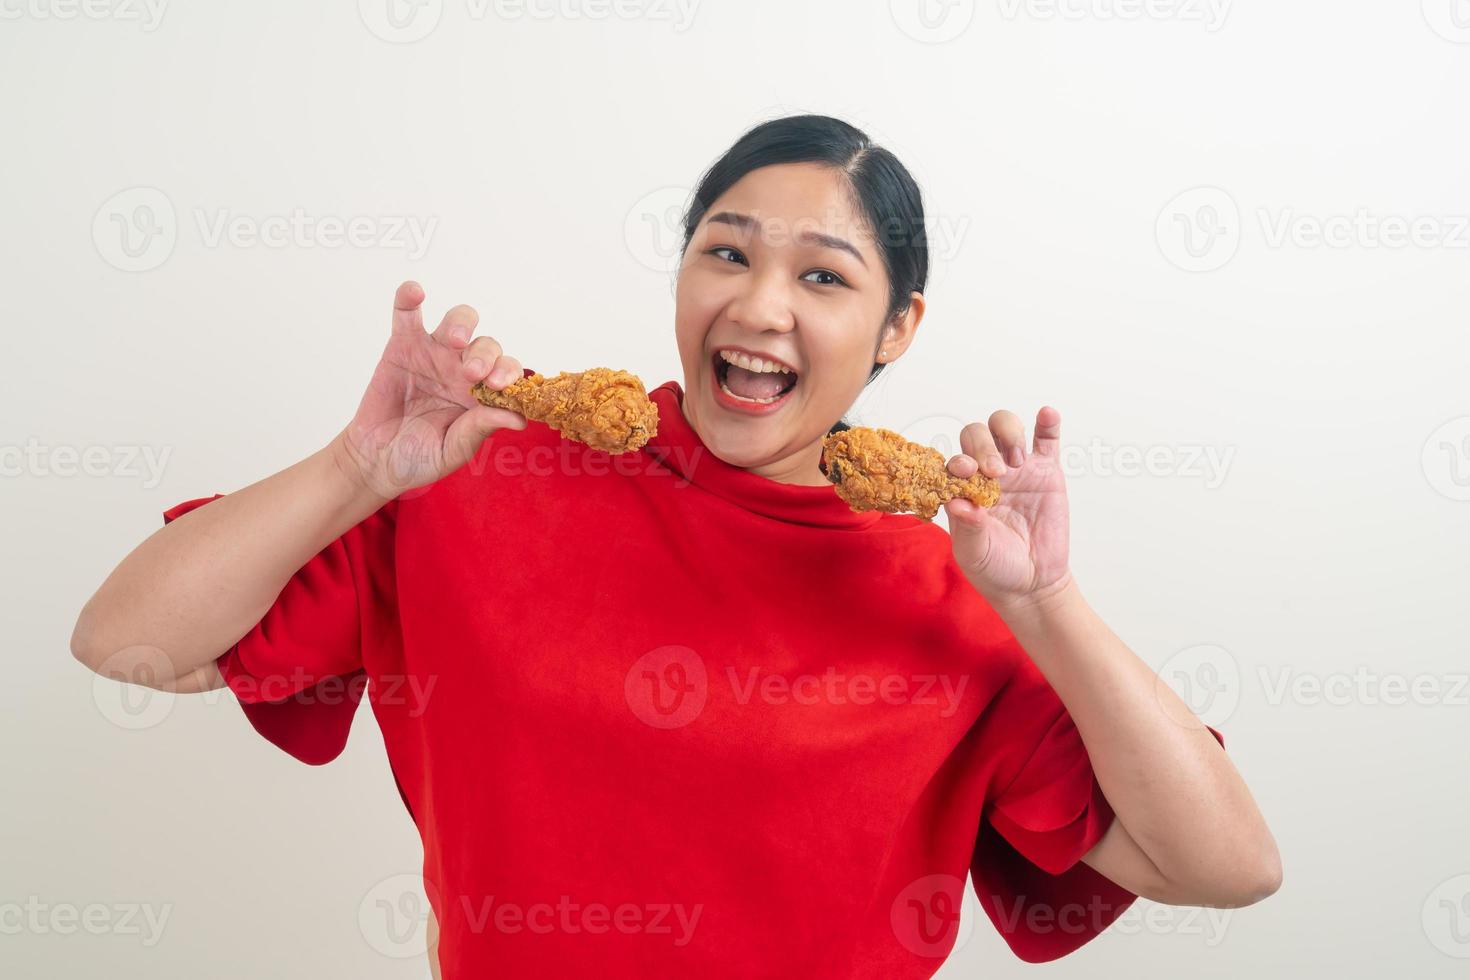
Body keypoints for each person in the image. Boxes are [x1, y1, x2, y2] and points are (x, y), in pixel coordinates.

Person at [71, 114, 1280, 978]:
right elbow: (126, 644)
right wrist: (355, 468)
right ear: (685, 269)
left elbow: (1227, 864)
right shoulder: (485, 468)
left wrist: (1051, 600)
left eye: (824, 275)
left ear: (897, 327)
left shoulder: (950, 596)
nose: (760, 306)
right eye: (728, 251)